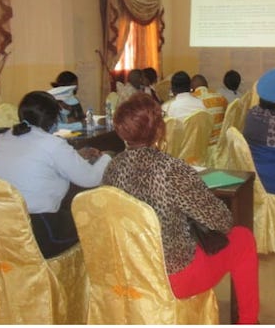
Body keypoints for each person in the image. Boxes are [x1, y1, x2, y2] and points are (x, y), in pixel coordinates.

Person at [102, 93, 259, 324]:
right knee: (243, 239)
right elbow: (222, 222)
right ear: (159, 129)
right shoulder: (171, 170)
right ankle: (248, 321)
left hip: (129, 270)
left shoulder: (112, 169)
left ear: (121, 130)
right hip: (173, 276)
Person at [0, 91, 111, 257]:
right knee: (97, 217)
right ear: (54, 119)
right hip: (39, 232)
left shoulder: (4, 139)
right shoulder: (52, 144)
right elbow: (91, 178)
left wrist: (75, 155)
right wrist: (106, 157)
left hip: (2, 228)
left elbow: (37, 162)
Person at [191, 74, 228, 145]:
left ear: (192, 88)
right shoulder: (221, 97)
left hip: (203, 144)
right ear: (206, 85)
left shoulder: (192, 100)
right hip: (221, 142)